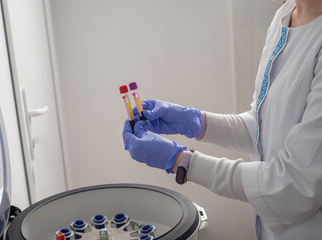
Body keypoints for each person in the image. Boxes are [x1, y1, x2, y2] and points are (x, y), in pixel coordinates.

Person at [122, 0, 322, 239]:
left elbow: (294, 184)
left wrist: (182, 161)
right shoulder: (285, 14)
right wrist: (195, 121)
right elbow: (262, 127)